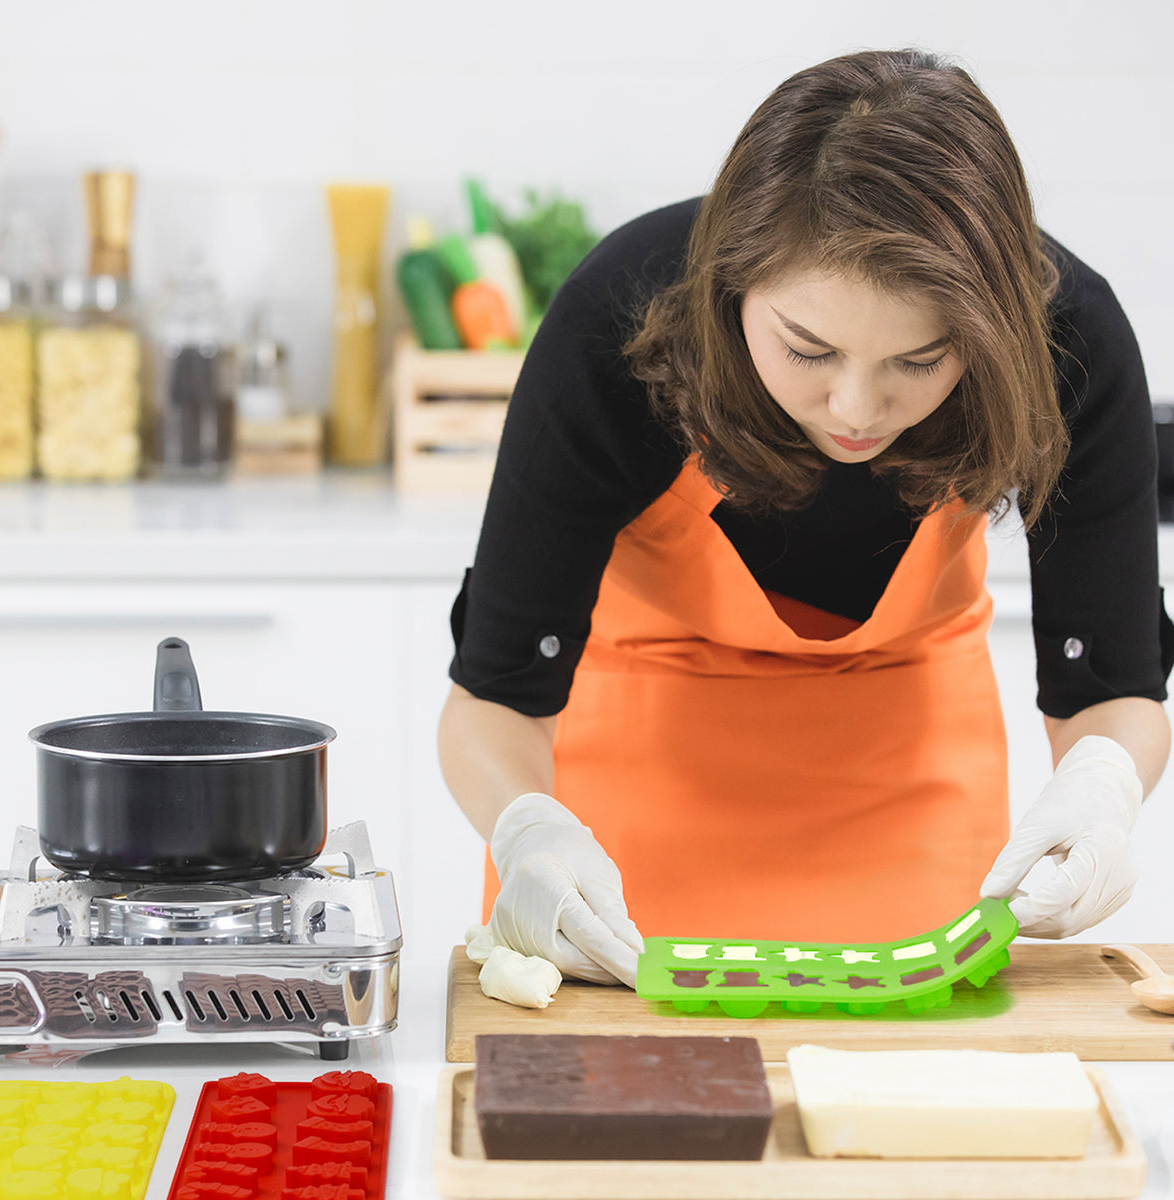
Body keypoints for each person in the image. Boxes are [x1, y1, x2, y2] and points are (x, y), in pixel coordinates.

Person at [437, 48, 1173, 989]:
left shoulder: (1067, 339)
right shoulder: (615, 322)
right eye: (808, 349)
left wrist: (1103, 788)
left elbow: (1111, 691)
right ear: (734, 283)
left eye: (919, 361)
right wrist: (528, 830)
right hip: (627, 831)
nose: (856, 409)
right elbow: (491, 701)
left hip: (911, 810)